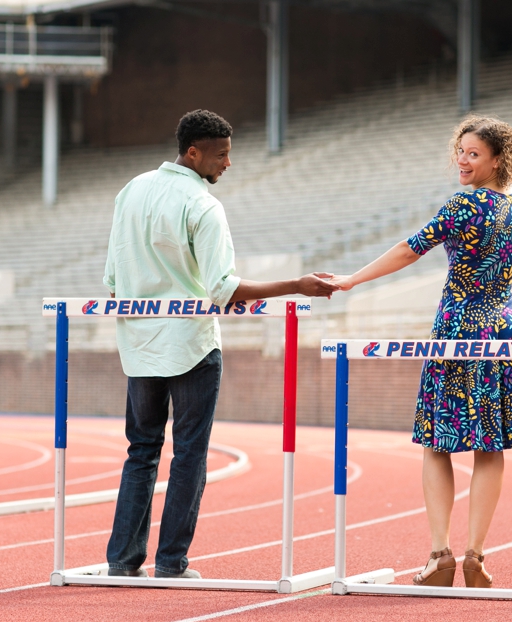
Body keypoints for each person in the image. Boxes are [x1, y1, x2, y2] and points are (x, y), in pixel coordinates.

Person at [103, 109, 338, 579]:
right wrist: (296, 284)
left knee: (141, 450)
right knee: (188, 452)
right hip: (190, 345)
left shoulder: (132, 190)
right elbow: (222, 289)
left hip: (140, 344)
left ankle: (121, 563)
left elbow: (113, 283)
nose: (229, 163)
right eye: (222, 154)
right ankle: (171, 563)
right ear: (194, 152)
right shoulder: (204, 206)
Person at [332, 115, 512, 588]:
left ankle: (440, 554)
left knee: (437, 441)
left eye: (473, 154)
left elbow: (411, 248)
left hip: (457, 328)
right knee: (492, 444)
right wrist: (495, 318)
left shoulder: (465, 204)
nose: (462, 161)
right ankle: (476, 556)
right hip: (504, 329)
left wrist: (351, 279)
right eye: (460, 151)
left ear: (497, 160)